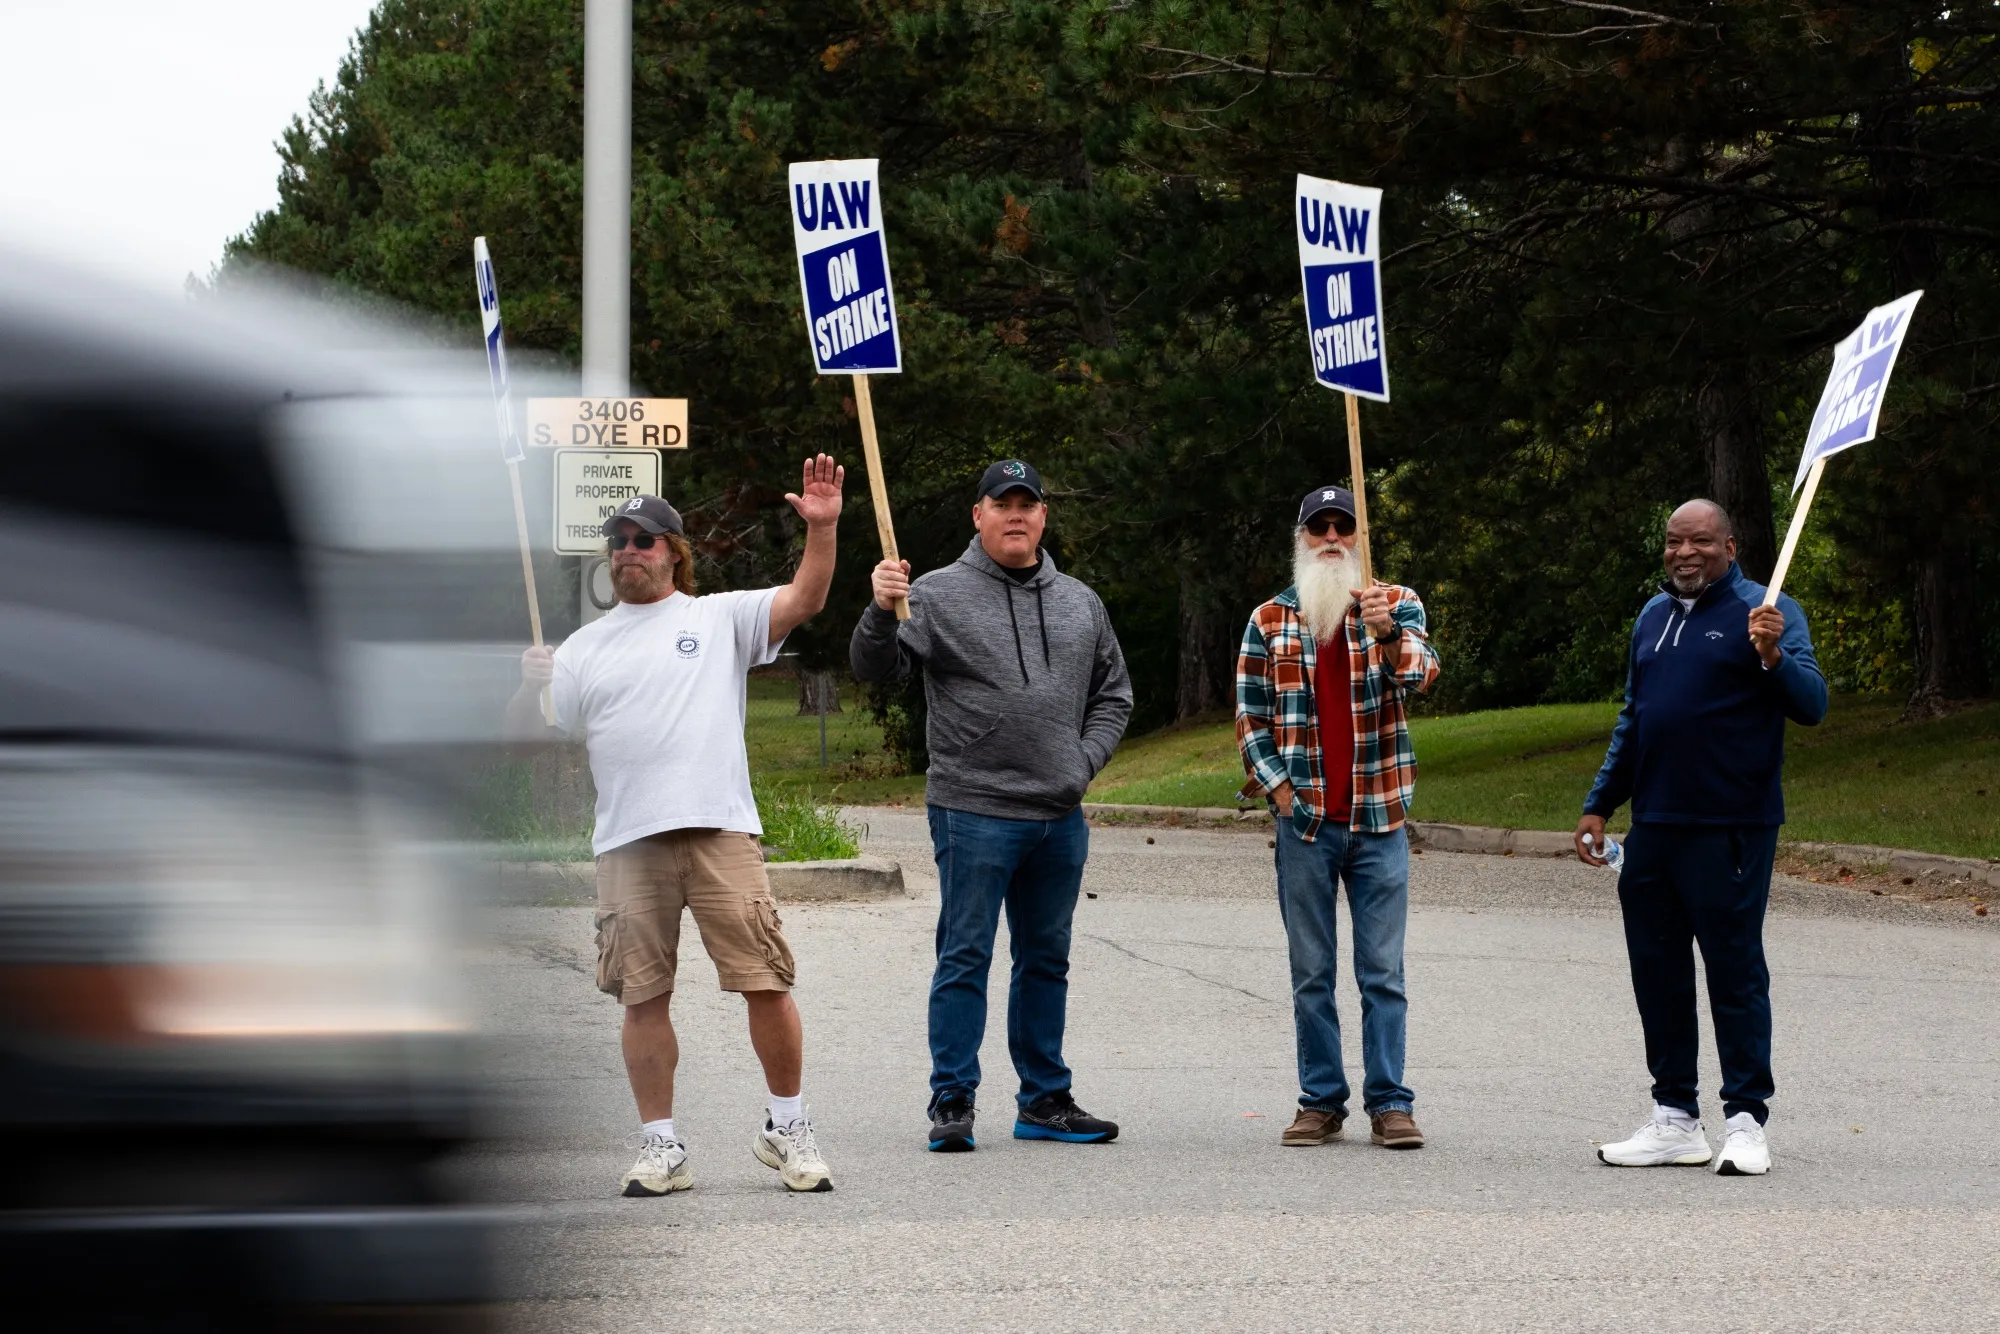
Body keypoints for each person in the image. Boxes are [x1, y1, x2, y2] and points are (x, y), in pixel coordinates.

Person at [506, 458, 846, 1196]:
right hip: (627, 842)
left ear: (673, 552)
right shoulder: (580, 649)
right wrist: (526, 690)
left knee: (767, 982)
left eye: (645, 538)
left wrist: (822, 528)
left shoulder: (716, 617)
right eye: (619, 538)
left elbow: (806, 598)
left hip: (721, 830)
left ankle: (787, 1126)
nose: (630, 548)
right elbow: (525, 741)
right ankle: (661, 1146)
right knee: (641, 996)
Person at [851, 458, 1133, 1153]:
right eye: (1001, 502)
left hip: (1058, 816)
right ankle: (952, 1099)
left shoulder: (1079, 602)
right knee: (965, 955)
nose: (1016, 514)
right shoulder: (936, 594)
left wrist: (1081, 762)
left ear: (1042, 515)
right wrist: (881, 612)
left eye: (1027, 503)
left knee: (1045, 960)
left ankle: (1044, 1100)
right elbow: (876, 672)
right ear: (978, 515)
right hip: (973, 808)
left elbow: (1114, 695)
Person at [1577, 499, 1827, 1177]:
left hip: (1732, 828)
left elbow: (1812, 705)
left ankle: (1746, 1121)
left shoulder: (1767, 614)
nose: (1685, 552)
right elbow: (1636, 719)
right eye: (1674, 541)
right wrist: (1601, 803)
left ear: (1730, 545)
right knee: (1657, 973)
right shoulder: (1653, 619)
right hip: (1655, 827)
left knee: (1734, 973)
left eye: (1700, 541)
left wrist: (1773, 653)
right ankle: (1675, 1121)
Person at [1236, 485, 1440, 1151]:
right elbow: (1250, 716)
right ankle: (1320, 1101)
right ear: (1301, 538)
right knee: (1311, 972)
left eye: (1342, 527)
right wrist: (1279, 790)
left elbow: (1421, 677)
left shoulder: (1396, 605)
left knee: (1383, 972)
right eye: (1318, 527)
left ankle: (1390, 1104)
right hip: (1305, 826)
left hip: (1378, 818)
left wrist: (1385, 632)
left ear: (1359, 537)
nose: (1331, 537)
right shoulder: (1269, 619)